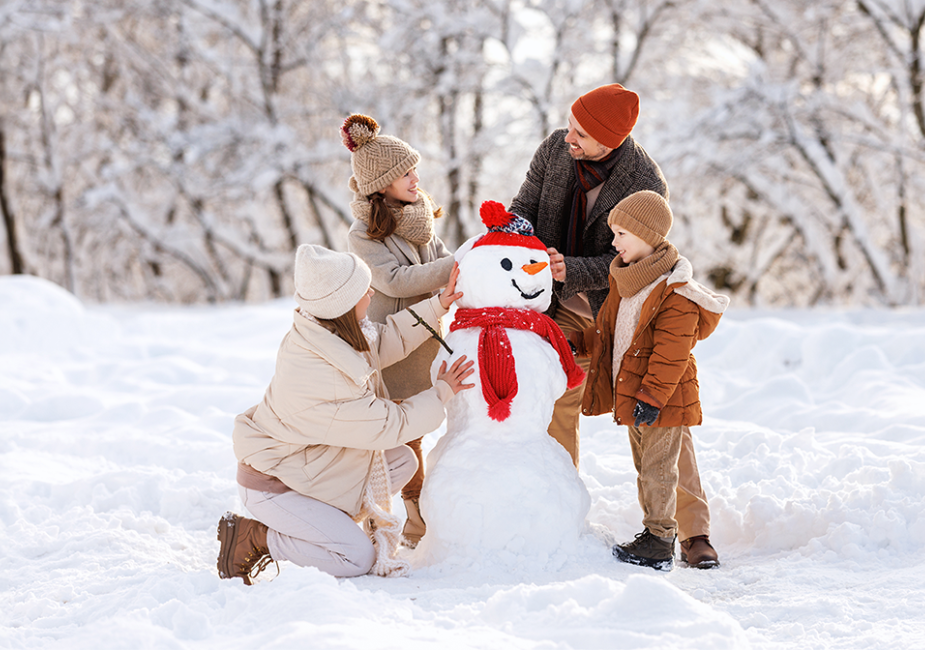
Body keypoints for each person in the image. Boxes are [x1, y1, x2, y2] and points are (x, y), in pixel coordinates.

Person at [507, 83, 721, 568]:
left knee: (667, 416)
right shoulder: (554, 149)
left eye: (582, 133)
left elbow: (635, 259)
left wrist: (573, 268)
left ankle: (693, 531)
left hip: (621, 308)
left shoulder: (644, 182)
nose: (569, 138)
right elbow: (524, 204)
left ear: (611, 139)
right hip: (558, 302)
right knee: (554, 396)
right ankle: (557, 514)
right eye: (571, 125)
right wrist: (515, 232)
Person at [216, 244, 474, 583]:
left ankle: (332, 526)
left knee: (401, 462)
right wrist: (442, 391)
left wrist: (438, 305)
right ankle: (257, 537)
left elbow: (385, 341)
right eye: (361, 291)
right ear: (341, 305)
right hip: (275, 486)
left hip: (310, 465)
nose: (370, 293)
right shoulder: (320, 375)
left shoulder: (330, 334)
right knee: (355, 557)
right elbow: (389, 424)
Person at [573, 191, 729, 570]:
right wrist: (576, 340)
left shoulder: (676, 292)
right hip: (635, 394)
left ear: (646, 235)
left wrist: (653, 396)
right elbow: (609, 333)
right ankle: (654, 532)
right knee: (647, 468)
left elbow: (671, 353)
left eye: (622, 233)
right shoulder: (627, 282)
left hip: (661, 399)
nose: (614, 242)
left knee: (660, 470)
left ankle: (660, 540)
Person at [342, 113, 454, 548]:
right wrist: (456, 267)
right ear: (382, 182)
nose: (415, 178)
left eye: (414, 169)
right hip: (395, 345)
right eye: (405, 172)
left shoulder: (419, 217)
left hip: (428, 338)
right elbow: (397, 282)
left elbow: (440, 261)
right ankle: (410, 520)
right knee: (406, 436)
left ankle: (429, 513)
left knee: (428, 427)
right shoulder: (363, 235)